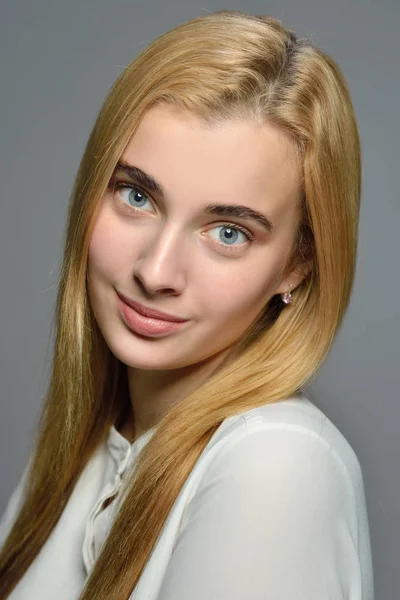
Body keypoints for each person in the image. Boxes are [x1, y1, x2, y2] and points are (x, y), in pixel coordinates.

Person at [0, 9, 374, 600]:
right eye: (136, 195)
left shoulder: (276, 464)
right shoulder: (89, 446)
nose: (154, 271)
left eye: (228, 232)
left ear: (298, 264)